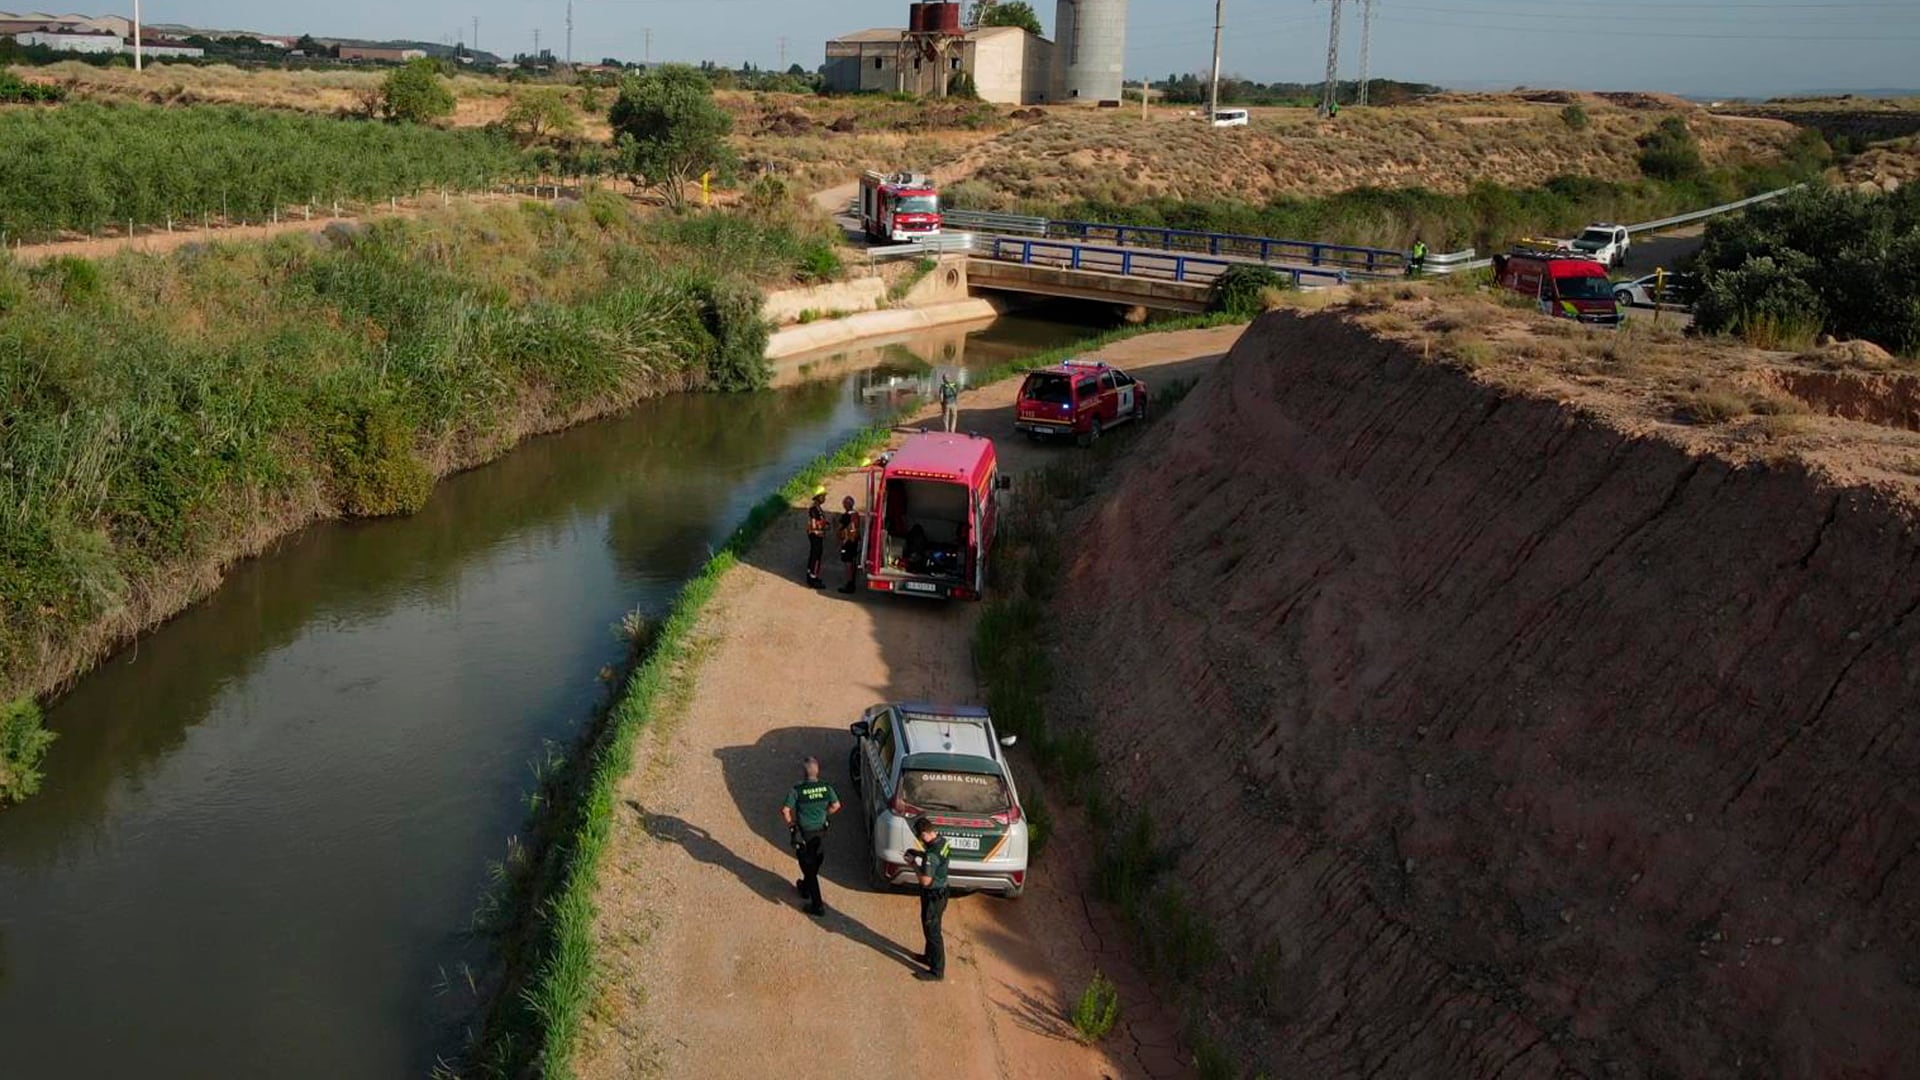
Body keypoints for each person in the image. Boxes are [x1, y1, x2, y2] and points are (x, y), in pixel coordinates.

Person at [781, 757, 841, 916]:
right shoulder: (826, 788)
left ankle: (817, 905)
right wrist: (825, 815)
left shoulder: (797, 790)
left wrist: (791, 825)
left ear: (804, 773)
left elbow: (785, 810)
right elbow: (836, 805)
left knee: (809, 868)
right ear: (818, 771)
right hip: (820, 833)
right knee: (814, 863)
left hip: (805, 835)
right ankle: (805, 888)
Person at [908, 815, 952, 980]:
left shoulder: (931, 856)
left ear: (925, 834)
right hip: (943, 892)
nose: (921, 841)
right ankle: (929, 957)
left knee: (933, 931)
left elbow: (925, 881)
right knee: (930, 926)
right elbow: (938, 858)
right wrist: (920, 854)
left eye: (920, 838)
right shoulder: (943, 841)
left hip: (933, 895)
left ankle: (936, 971)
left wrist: (913, 864)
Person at [836, 495, 861, 595]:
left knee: (848, 562)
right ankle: (852, 582)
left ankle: (850, 584)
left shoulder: (846, 516)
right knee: (852, 561)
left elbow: (839, 529)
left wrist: (839, 540)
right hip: (854, 541)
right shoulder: (856, 515)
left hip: (847, 542)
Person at [804, 487, 829, 589]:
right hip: (815, 535)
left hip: (818, 535)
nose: (824, 498)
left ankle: (812, 576)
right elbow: (814, 525)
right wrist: (823, 525)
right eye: (823, 496)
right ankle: (813, 579)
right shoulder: (814, 509)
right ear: (818, 497)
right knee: (816, 556)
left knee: (815, 555)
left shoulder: (817, 508)